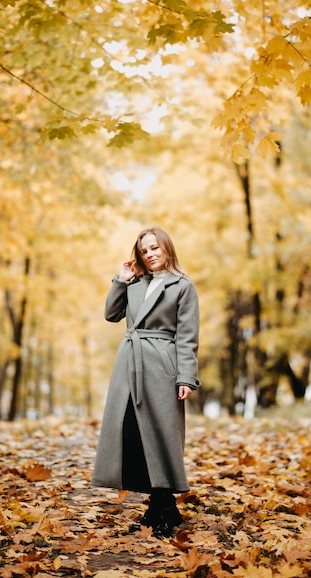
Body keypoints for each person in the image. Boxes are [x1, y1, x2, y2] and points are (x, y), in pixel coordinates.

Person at [91, 227, 200, 537]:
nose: (150, 254)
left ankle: (165, 507)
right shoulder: (136, 284)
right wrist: (120, 280)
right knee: (133, 431)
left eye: (155, 247)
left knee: (161, 434)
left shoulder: (183, 286)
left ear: (167, 248)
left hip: (162, 365)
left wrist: (186, 377)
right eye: (144, 250)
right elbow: (112, 315)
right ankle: (159, 507)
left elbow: (188, 336)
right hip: (129, 363)